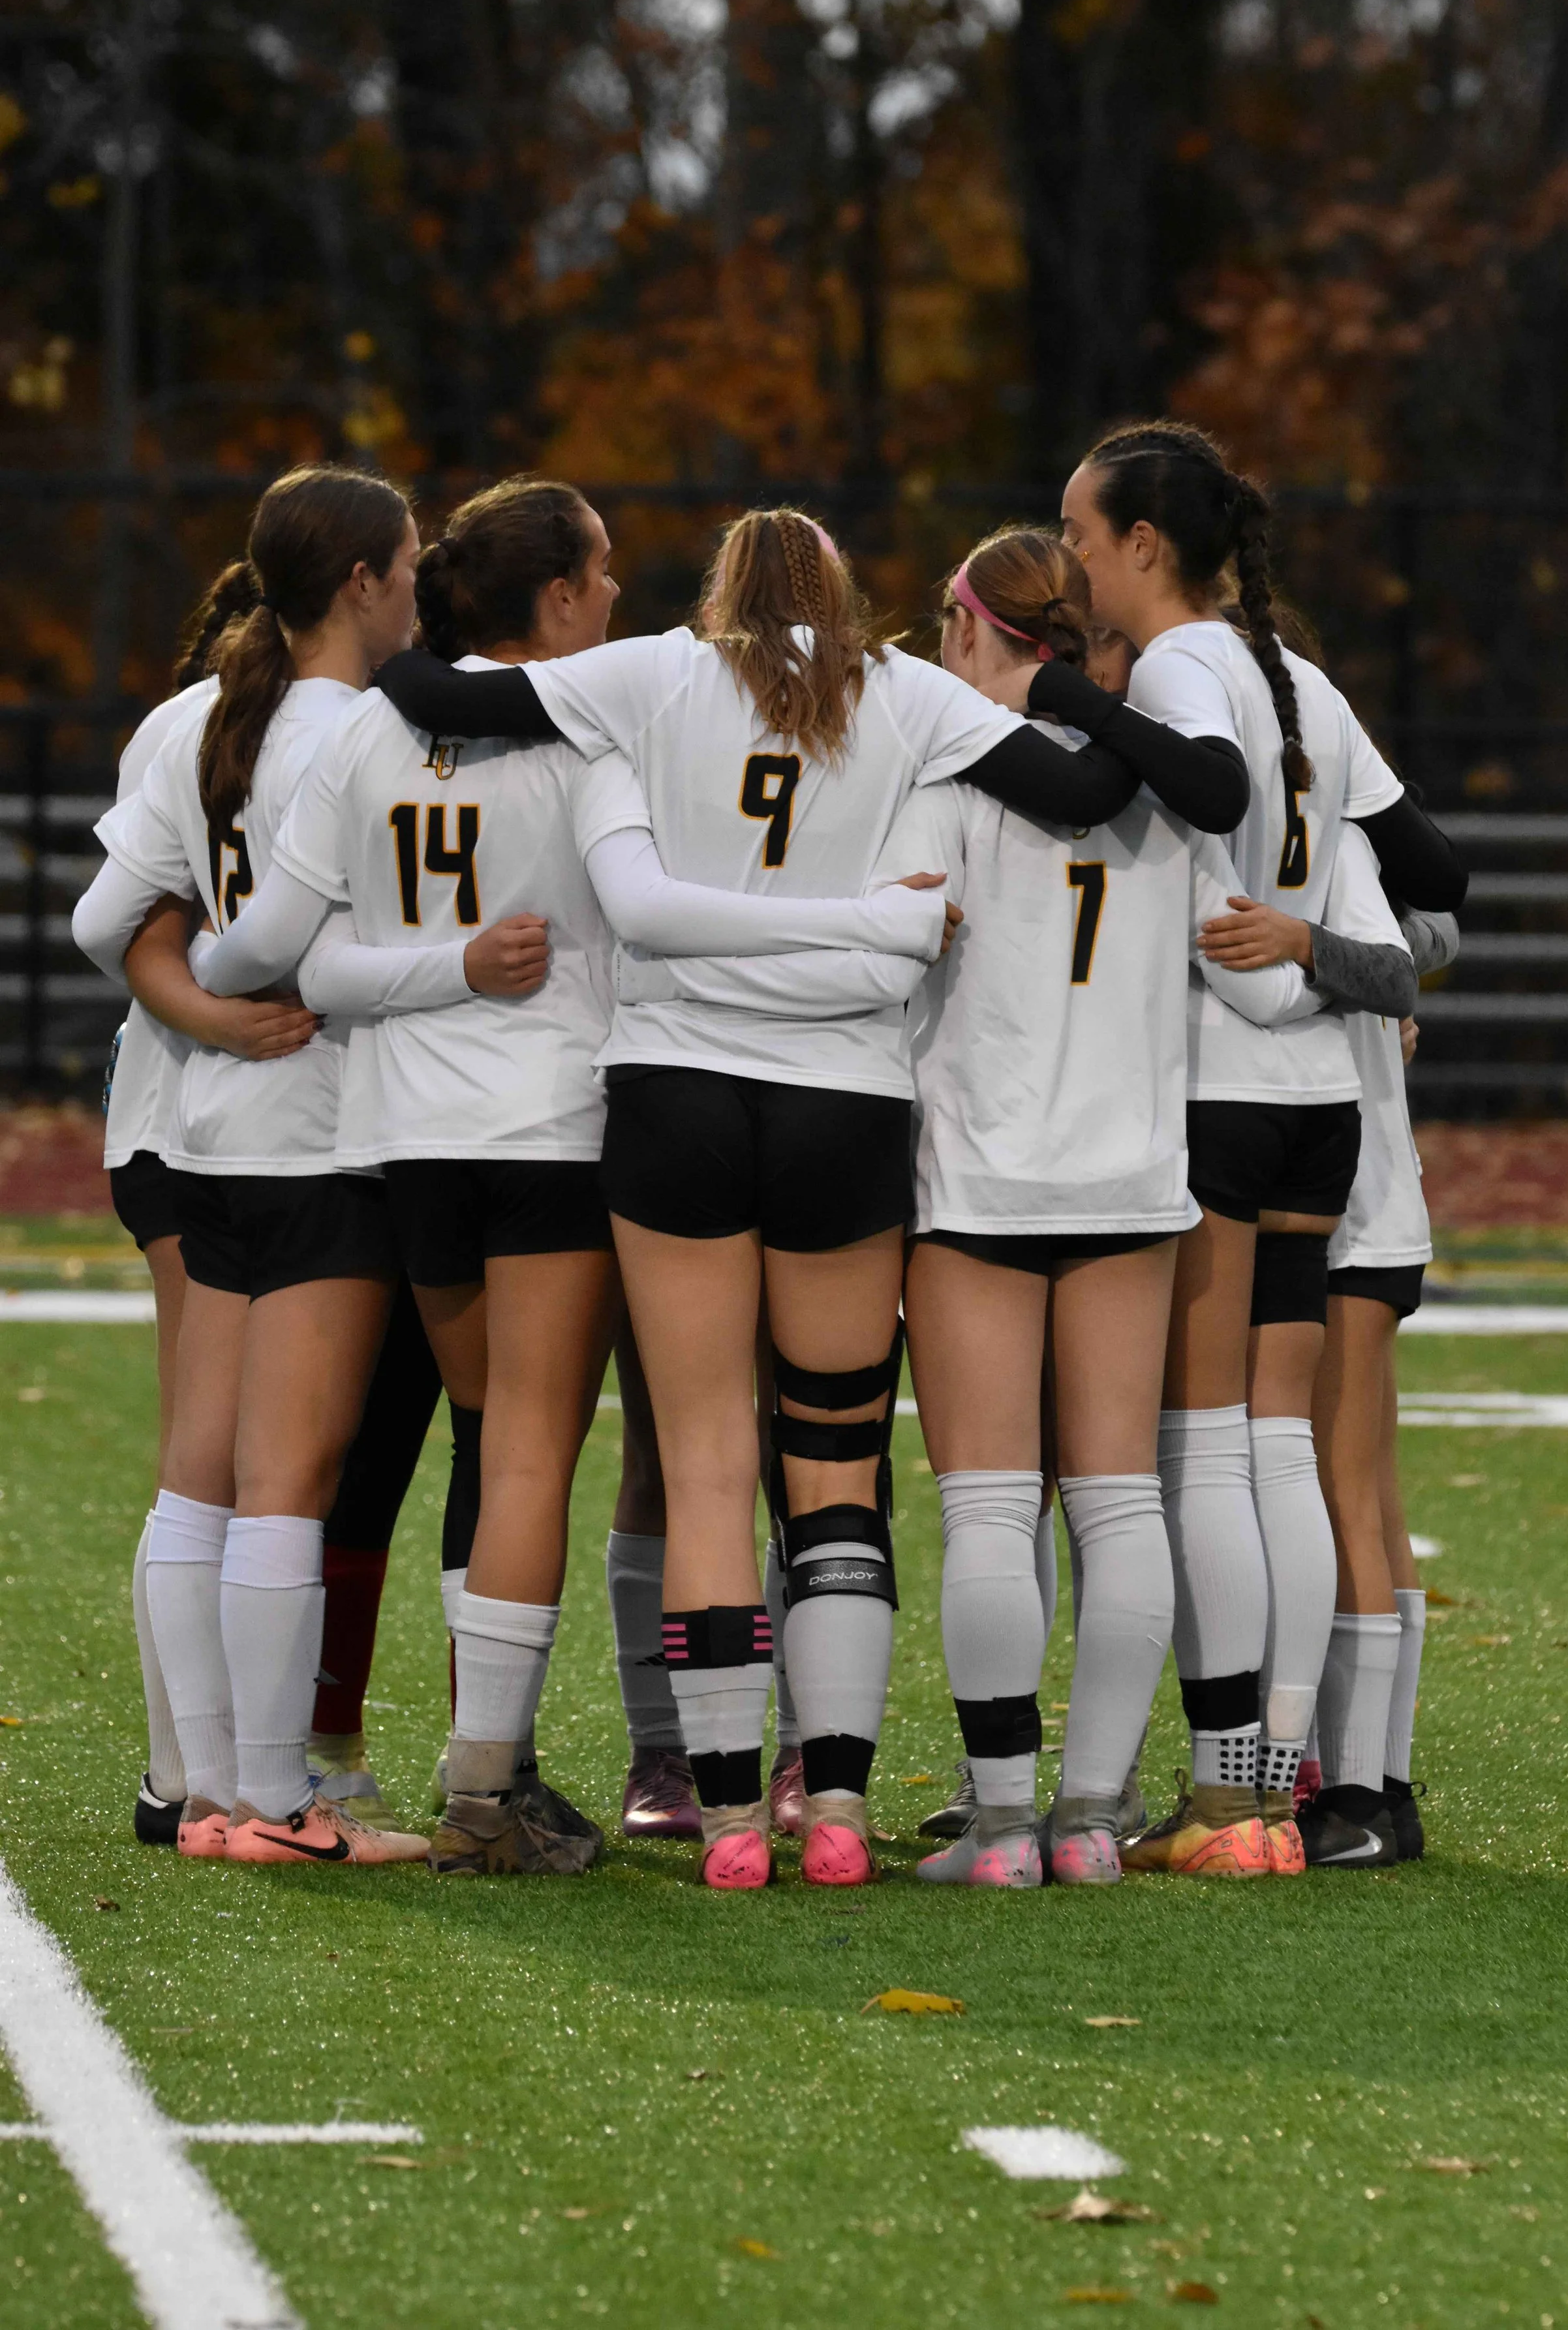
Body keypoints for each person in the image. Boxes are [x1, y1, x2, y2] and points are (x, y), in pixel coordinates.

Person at [371, 508, 1150, 1888]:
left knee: (709, 1463)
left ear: (716, 587)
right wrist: (861, 932)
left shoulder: (652, 676)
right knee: (835, 1470)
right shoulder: (905, 692)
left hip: (671, 1092)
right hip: (843, 1101)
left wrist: (343, 611)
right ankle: (836, 1810)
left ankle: (727, 1819)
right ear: (842, 591)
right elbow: (1060, 818)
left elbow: (435, 691)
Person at [875, 531, 1326, 1890]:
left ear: (972, 630)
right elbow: (1251, 987)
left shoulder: (941, 763)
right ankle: (1093, 1820)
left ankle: (1004, 1827)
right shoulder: (1160, 796)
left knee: (993, 1509)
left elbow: (893, 950)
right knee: (1122, 1504)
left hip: (981, 1183)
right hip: (1132, 1183)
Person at [1056, 420, 1464, 1878]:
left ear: (1145, 549)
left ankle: (1229, 1793)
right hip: (1319, 1107)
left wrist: (1271, 975)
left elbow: (1215, 833)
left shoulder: (1175, 667)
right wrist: (1313, 981)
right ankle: (1281, 1776)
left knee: (1205, 1449)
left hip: (1225, 1085)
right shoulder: (1296, 672)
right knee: (1280, 1446)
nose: (1074, 568)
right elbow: (1421, 883)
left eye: (1084, 542)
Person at [72, 463, 431, 1867]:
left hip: (197, 1132)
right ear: (358, 582)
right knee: (290, 1474)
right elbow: (302, 944)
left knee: (196, 1473)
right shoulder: (379, 735)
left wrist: (205, 1013)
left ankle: (199, 1790)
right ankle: (276, 1806)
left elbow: (114, 923)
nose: (419, 584)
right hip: (322, 1135)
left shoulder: (191, 719)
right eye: (406, 564)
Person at [1304, 829, 1456, 1865]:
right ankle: (1385, 1787)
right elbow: (1434, 919)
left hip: (1347, 1201)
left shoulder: (1312, 811)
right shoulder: (1340, 805)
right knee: (1370, 1492)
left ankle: (1355, 1796)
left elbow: (1424, 928)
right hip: (1377, 1196)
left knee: (1342, 1490)